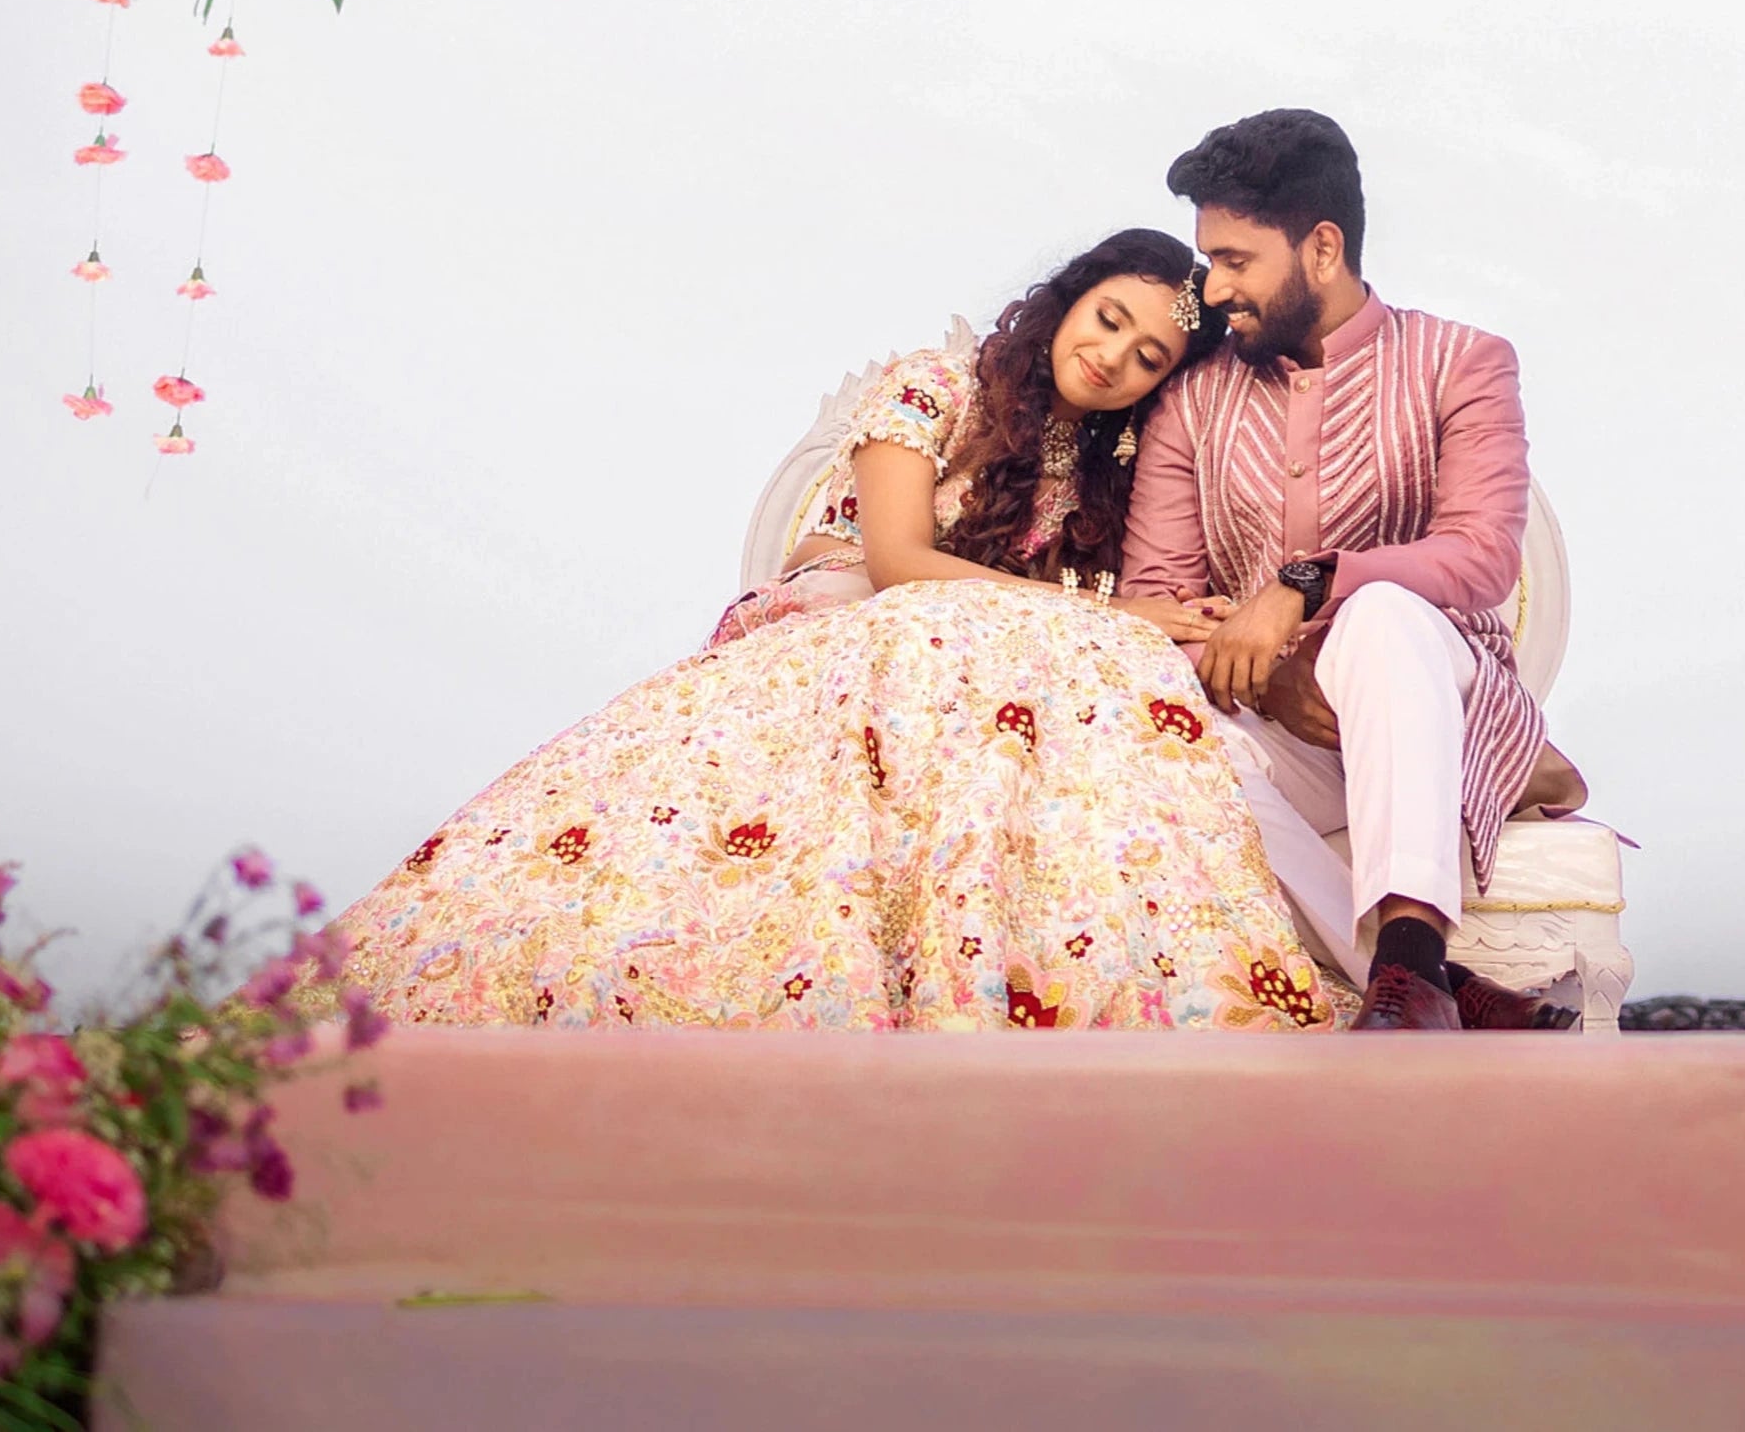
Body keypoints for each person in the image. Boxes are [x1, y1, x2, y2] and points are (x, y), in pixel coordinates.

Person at [337, 230, 1333, 1034]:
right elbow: (896, 561)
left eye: (1146, 355)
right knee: (967, 645)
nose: (1112, 354)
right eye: (1109, 318)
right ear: (1074, 295)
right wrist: (1103, 611)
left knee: (1074, 706)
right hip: (846, 618)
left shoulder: (1101, 472)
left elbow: (1042, 615)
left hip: (968, 672)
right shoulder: (936, 386)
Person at [1120, 109, 1584, 1034]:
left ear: (1321, 247)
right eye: (1209, 260)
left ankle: (1411, 956)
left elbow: (1485, 553)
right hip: (1279, 723)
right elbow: (1153, 596)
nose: (1213, 289)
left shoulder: (1463, 363)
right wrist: (1267, 666)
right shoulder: (1192, 400)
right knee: (1145, 724)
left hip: (1430, 688)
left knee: (1377, 613)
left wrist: (1305, 585)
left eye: (1235, 260)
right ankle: (1425, 985)